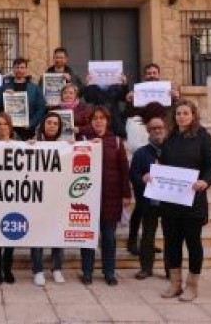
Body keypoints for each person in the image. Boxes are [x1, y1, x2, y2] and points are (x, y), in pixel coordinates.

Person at [159, 99, 211, 302]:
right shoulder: (169, 138)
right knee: (172, 244)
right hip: (170, 202)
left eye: (185, 113)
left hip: (194, 201)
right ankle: (175, 284)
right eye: (178, 113)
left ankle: (192, 285)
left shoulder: (203, 137)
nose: (181, 116)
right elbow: (163, 166)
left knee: (193, 244)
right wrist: (153, 176)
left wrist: (205, 181)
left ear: (193, 115)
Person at [79, 106, 131, 286]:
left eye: (102, 118)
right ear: (90, 121)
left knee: (109, 236)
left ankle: (109, 272)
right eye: (95, 118)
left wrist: (126, 194)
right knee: (87, 236)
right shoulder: (83, 140)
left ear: (107, 121)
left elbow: (124, 170)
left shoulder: (116, 142)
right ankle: (87, 271)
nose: (98, 121)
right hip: (87, 196)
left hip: (111, 196)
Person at [130, 113, 168, 280]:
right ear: (148, 130)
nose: (157, 130)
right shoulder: (140, 153)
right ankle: (146, 268)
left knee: (171, 237)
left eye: (160, 127)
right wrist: (142, 179)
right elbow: (133, 175)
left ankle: (170, 269)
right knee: (147, 235)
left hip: (170, 202)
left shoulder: (173, 151)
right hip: (149, 201)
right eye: (154, 128)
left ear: (165, 129)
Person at [30, 112, 67, 286]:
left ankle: (57, 268)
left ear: (59, 127)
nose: (52, 125)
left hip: (57, 198)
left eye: (55, 123)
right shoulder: (34, 143)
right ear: (43, 124)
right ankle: (37, 270)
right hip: (37, 198)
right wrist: (26, 146)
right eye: (49, 122)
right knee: (37, 235)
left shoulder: (65, 146)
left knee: (57, 235)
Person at [0, 112, 20, 284]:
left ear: (10, 126)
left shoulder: (19, 144)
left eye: (5, 124)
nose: (2, 127)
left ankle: (7, 268)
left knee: (10, 233)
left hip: (13, 195)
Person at [0, 58, 45, 140]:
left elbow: (41, 109)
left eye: (22, 67)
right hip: (8, 130)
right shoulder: (4, 87)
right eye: (17, 67)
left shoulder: (35, 88)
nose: (19, 70)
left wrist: (31, 123)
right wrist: (3, 96)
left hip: (27, 131)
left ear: (26, 69)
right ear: (13, 69)